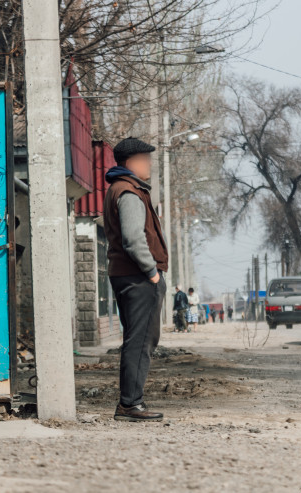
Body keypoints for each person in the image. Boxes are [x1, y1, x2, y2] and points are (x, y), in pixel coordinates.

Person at [104, 137, 168, 422]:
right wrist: (152, 272)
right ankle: (130, 404)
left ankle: (131, 402)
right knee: (141, 340)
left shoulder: (122, 189)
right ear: (131, 162)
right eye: (145, 159)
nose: (149, 164)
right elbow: (133, 238)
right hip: (138, 277)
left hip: (128, 275)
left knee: (137, 338)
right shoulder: (129, 192)